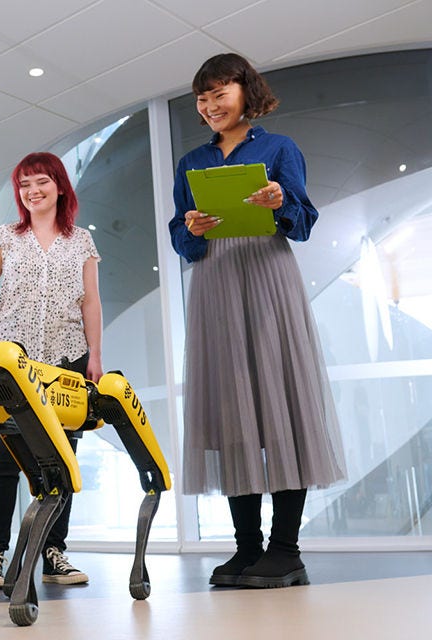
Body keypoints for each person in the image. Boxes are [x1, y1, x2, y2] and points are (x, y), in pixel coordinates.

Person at [168, 53, 346, 589]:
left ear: (246, 92)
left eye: (219, 93)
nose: (210, 106)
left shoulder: (278, 148)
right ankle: (247, 549)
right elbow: (180, 237)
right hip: (215, 282)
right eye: (202, 99)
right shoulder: (190, 162)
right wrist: (193, 227)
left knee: (282, 406)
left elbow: (304, 221)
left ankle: (285, 550)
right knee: (230, 413)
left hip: (268, 279)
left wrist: (279, 200)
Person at [0, 151, 103, 589]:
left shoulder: (81, 241)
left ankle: (53, 552)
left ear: (60, 186)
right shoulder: (4, 237)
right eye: (24, 185)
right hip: (11, 362)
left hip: (68, 361)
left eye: (41, 181)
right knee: (3, 461)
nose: (32, 191)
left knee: (61, 461)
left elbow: (91, 304)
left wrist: (95, 357)